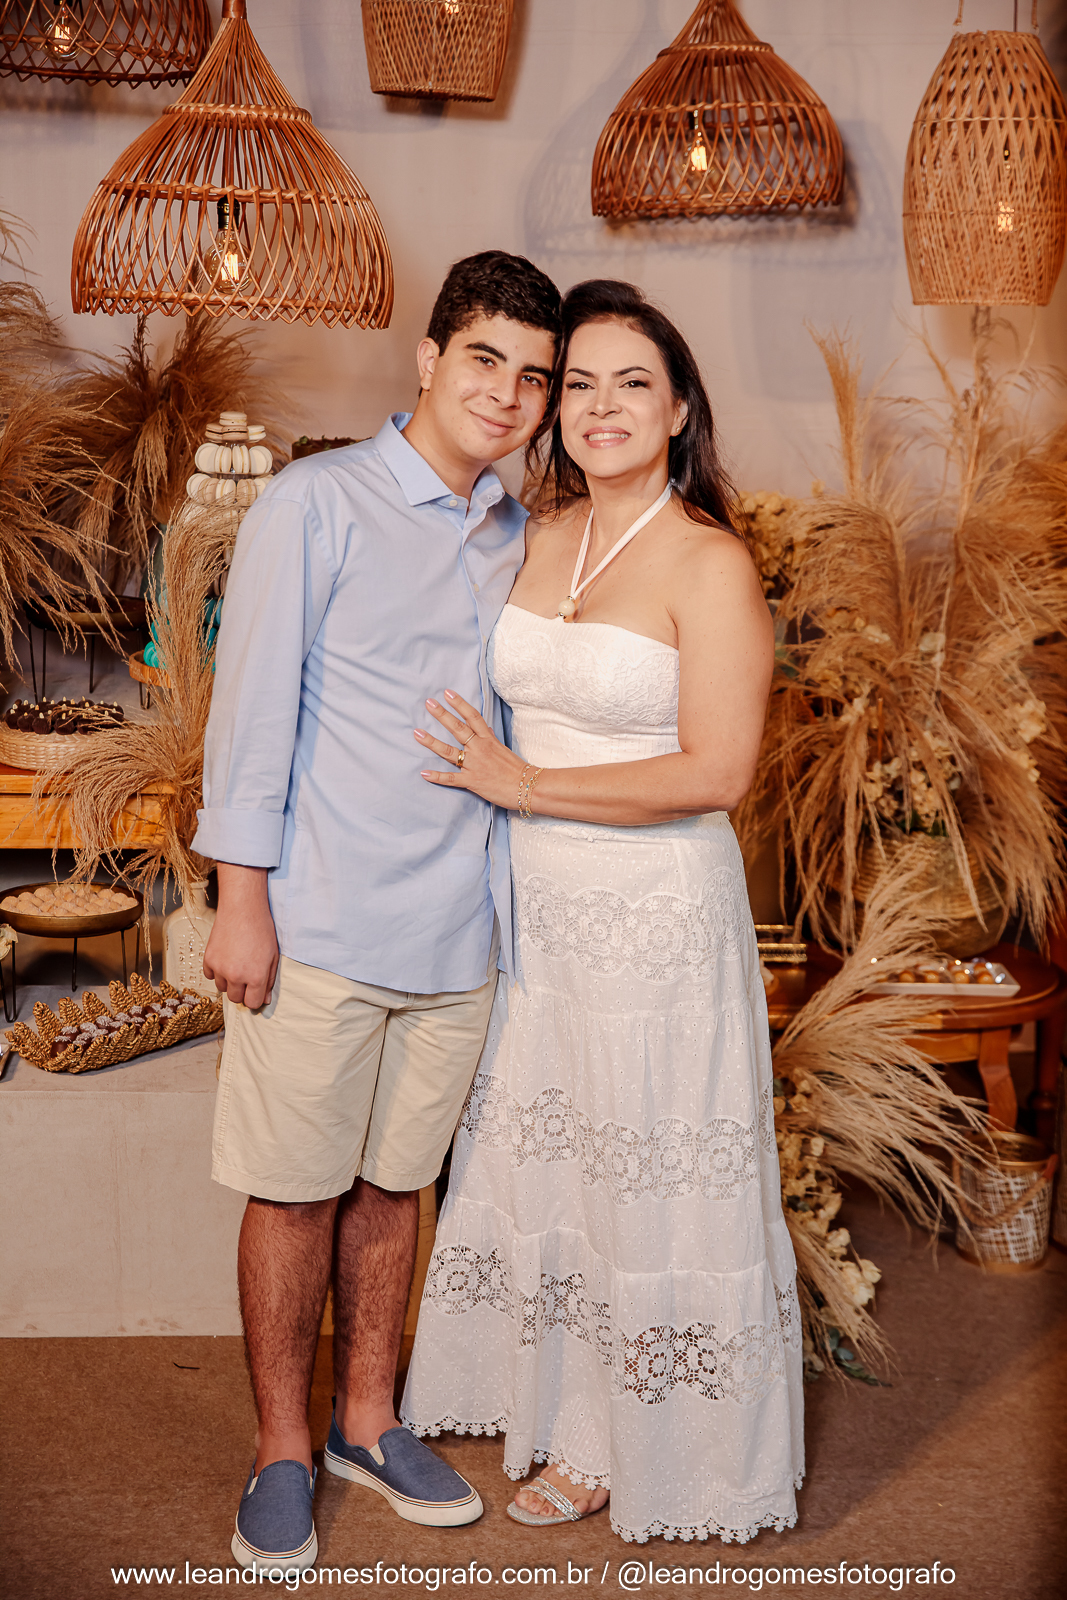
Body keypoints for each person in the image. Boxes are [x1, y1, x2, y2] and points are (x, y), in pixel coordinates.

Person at [402, 280, 804, 1545]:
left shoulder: (709, 560)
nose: (599, 406)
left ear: (678, 409)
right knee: (564, 1167)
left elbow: (718, 771)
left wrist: (523, 785)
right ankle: (566, 1409)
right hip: (542, 918)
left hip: (655, 919)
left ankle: (646, 1445)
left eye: (632, 383)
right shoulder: (535, 532)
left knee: (646, 1172)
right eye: (576, 383)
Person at [191, 251, 561, 1575]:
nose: (506, 394)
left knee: (396, 1188)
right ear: (429, 357)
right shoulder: (316, 502)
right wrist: (241, 902)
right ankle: (282, 1449)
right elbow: (251, 712)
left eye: (534, 377)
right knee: (294, 1195)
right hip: (320, 923)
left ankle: (366, 1420)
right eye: (484, 360)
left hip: (456, 935)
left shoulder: (517, 532)